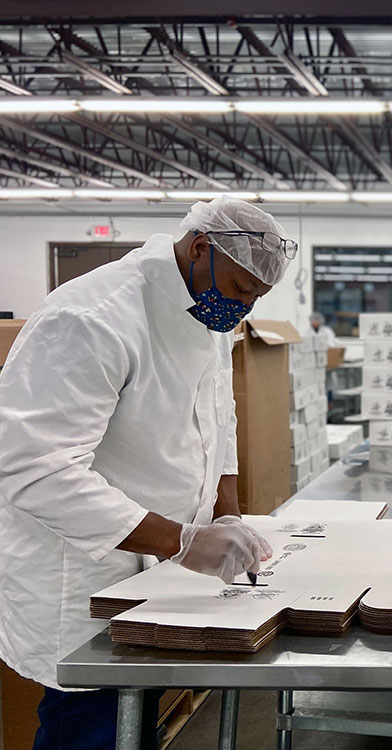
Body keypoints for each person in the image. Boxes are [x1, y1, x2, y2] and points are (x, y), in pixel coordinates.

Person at [0, 196, 296, 749]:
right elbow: (34, 469)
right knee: (89, 730)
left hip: (157, 568)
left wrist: (226, 512)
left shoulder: (207, 308)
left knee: (134, 727)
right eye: (240, 290)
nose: (245, 308)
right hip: (85, 570)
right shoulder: (91, 318)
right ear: (201, 249)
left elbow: (217, 415)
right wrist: (180, 541)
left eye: (258, 297)